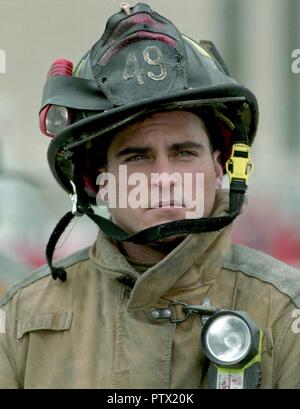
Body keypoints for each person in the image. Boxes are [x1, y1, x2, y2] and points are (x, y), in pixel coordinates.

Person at [1, 2, 300, 389]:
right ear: (97, 180)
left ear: (220, 165)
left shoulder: (286, 312)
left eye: (184, 152)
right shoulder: (23, 318)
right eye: (137, 156)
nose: (164, 178)